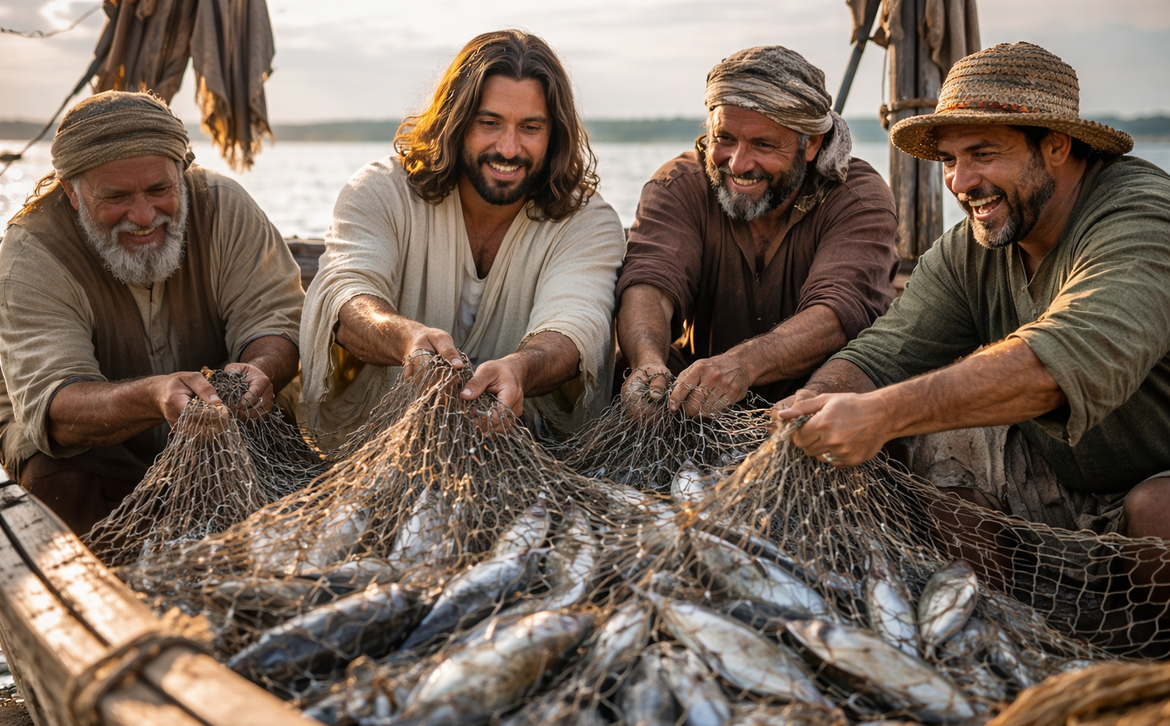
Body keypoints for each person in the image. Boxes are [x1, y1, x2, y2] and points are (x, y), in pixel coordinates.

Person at [775, 42, 1170, 541]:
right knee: (940, 444)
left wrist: (881, 413)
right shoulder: (972, 246)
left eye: (983, 153)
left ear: (1055, 145)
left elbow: (1061, 361)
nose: (961, 182)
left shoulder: (1143, 217)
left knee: (1159, 510)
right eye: (949, 159)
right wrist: (812, 404)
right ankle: (989, 613)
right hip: (1062, 474)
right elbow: (883, 353)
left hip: (1155, 476)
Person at [299, 30, 625, 448]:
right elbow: (345, 293)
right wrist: (405, 339)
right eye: (489, 123)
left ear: (554, 134)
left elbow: (577, 323)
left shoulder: (588, 221)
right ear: (455, 120)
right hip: (377, 442)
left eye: (530, 127)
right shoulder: (380, 191)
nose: (508, 148)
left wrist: (520, 369)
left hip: (528, 444)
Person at [0, 91, 305, 535]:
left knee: (287, 502)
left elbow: (276, 320)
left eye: (160, 189)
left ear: (181, 173)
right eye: (117, 196)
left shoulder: (225, 206)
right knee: (57, 488)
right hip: (87, 456)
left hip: (223, 436)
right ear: (72, 191)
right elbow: (57, 405)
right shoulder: (32, 253)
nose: (143, 216)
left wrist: (259, 370)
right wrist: (153, 396)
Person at [614, 45, 900, 416]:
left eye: (763, 144)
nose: (738, 163)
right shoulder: (679, 185)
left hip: (818, 409)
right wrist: (648, 360)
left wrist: (744, 363)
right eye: (725, 139)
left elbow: (838, 309)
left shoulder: (857, 196)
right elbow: (650, 281)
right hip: (693, 407)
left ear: (810, 143)